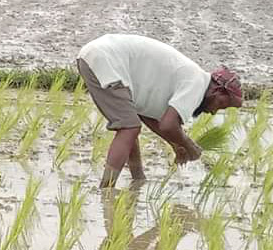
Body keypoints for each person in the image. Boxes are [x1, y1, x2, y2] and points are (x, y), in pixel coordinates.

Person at [76, 34, 243, 188]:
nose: (215, 112)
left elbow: (151, 117)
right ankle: (106, 191)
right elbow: (168, 124)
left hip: (96, 56)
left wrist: (176, 145)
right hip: (106, 59)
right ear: (218, 91)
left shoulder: (192, 78)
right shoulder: (197, 83)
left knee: (129, 125)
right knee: (129, 127)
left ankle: (138, 179)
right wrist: (189, 146)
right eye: (222, 105)